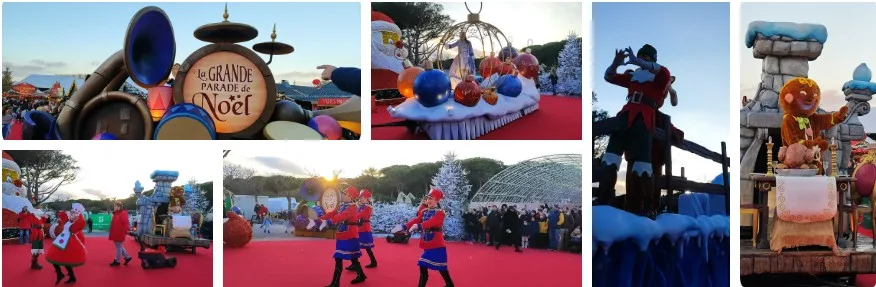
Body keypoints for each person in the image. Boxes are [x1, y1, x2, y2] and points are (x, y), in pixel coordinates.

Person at [597, 44, 672, 216]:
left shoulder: (661, 79)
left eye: (646, 58)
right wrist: (615, 63)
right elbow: (610, 77)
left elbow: (664, 73)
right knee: (611, 156)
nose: (641, 62)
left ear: (653, 60)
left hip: (644, 118)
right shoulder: (633, 77)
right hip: (625, 115)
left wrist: (638, 61)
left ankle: (645, 206)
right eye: (640, 58)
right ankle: (604, 197)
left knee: (642, 162)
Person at [405, 188, 455, 287]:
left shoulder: (440, 213)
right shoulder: (424, 211)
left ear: (437, 200)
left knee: (423, 264)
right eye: (428, 198)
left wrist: (418, 226)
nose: (428, 201)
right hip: (427, 242)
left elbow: (431, 222)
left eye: (431, 199)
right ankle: (450, 284)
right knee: (441, 267)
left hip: (437, 244)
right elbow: (417, 219)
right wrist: (404, 226)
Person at [319, 186, 367, 286]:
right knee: (353, 258)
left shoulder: (353, 207)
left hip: (349, 236)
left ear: (350, 196)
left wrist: (328, 222)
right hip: (344, 234)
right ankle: (361, 275)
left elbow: (341, 216)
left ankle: (335, 283)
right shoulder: (343, 205)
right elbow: (333, 213)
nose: (342, 195)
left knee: (339, 257)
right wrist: (320, 219)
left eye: (344, 193)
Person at [47, 203, 87, 284]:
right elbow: (61, 214)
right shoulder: (68, 217)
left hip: (69, 240)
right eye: (73, 209)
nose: (74, 211)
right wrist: (68, 215)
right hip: (61, 239)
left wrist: (74, 219)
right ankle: (60, 273)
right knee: (52, 255)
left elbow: (74, 229)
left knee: (66, 259)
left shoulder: (80, 220)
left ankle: (71, 276)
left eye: (77, 210)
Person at [347, 189, 377, 270]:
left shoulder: (368, 208)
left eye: (363, 197)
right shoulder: (360, 206)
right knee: (354, 247)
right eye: (360, 197)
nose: (361, 199)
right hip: (359, 228)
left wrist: (350, 216)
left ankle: (373, 262)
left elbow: (359, 215)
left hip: (365, 229)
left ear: (367, 198)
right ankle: (355, 264)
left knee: (367, 248)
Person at [109, 201, 133, 266]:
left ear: (119, 207)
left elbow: (126, 223)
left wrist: (127, 230)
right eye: (114, 206)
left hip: (119, 233)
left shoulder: (122, 214)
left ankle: (117, 261)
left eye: (115, 206)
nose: (114, 207)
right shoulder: (117, 214)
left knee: (118, 247)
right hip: (116, 233)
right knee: (119, 246)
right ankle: (127, 257)